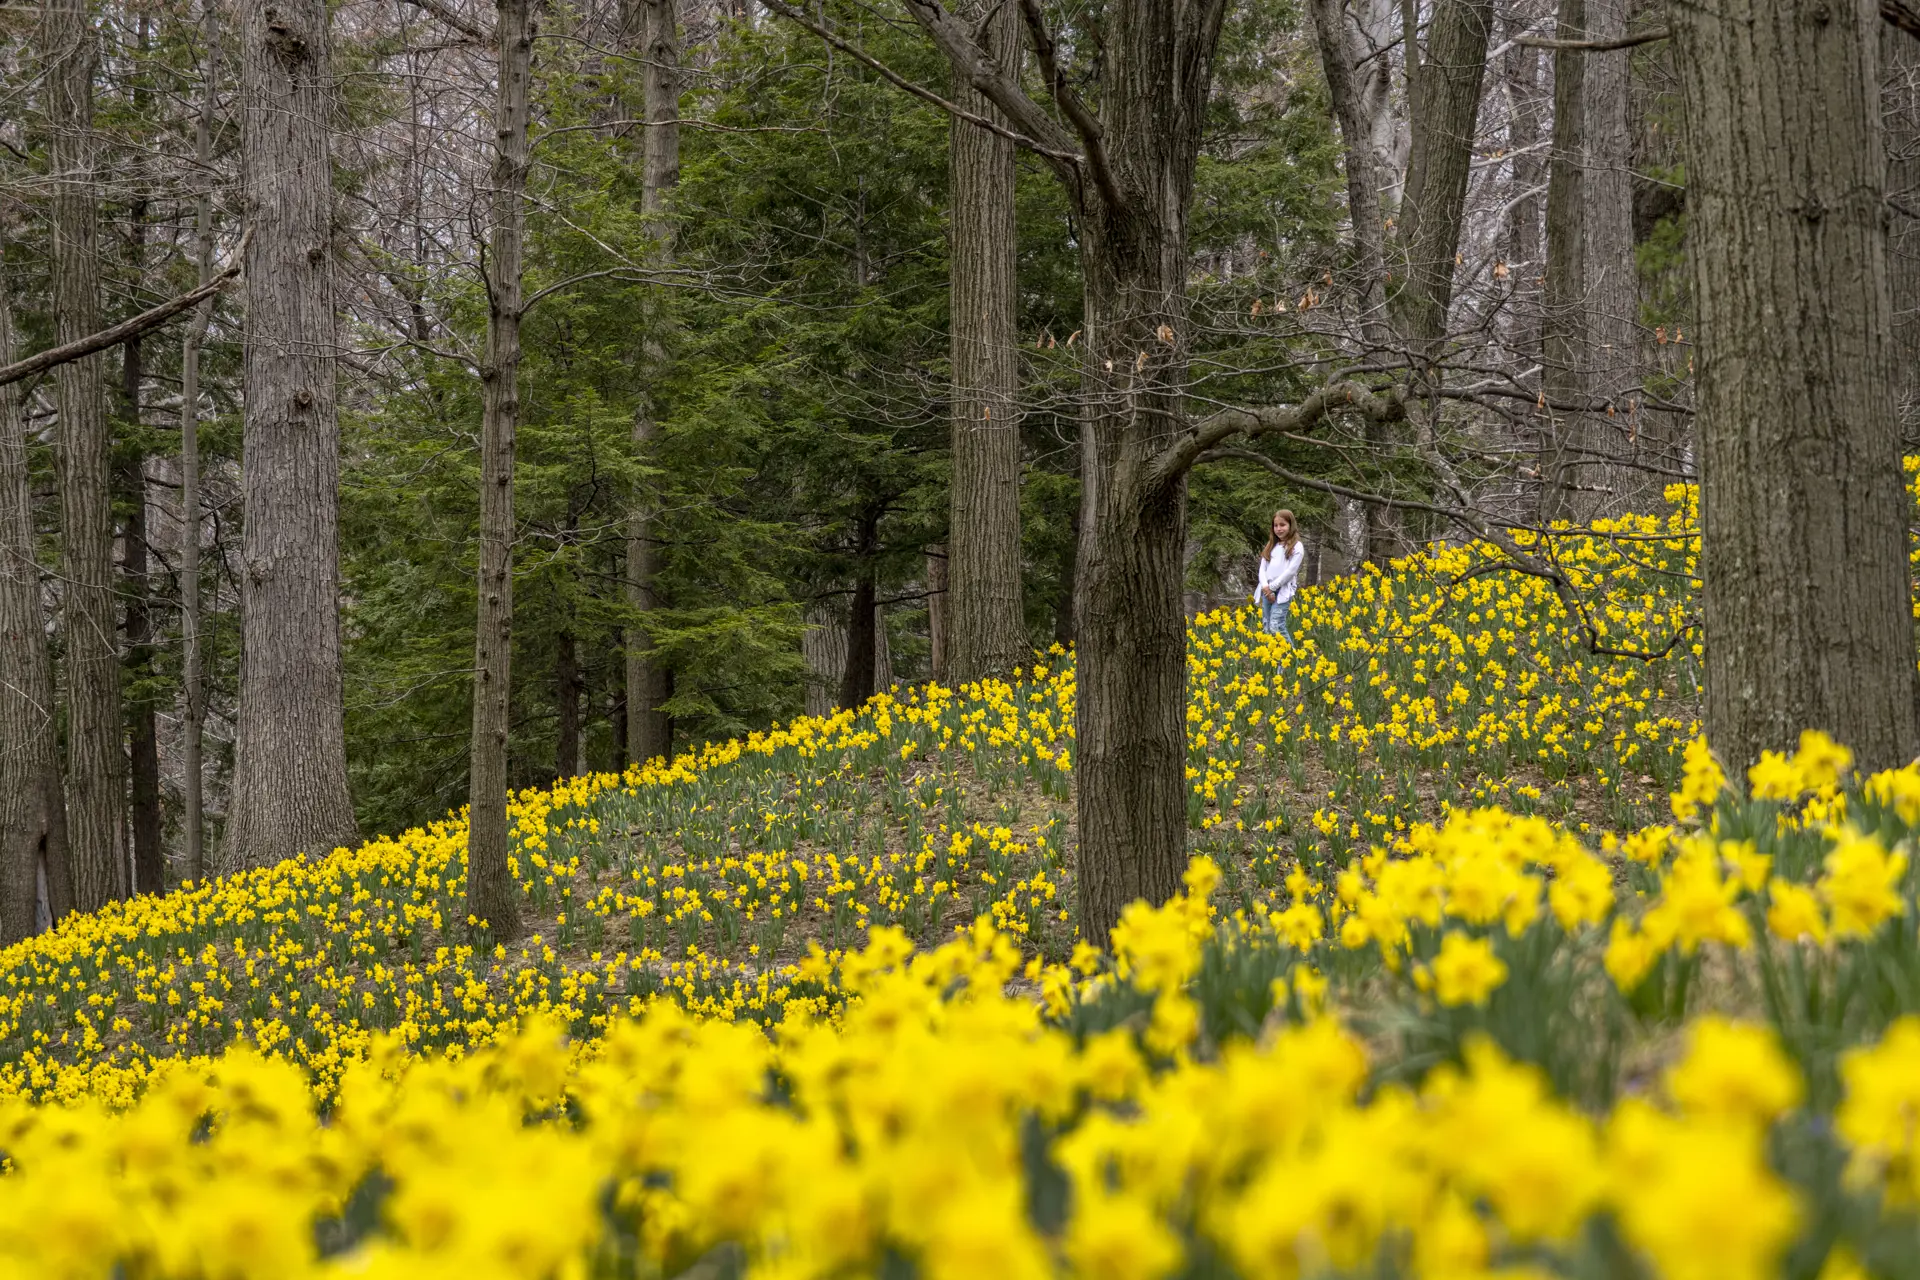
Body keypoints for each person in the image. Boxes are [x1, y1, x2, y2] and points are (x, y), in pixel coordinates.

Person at [1255, 508, 1304, 637]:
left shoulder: (1296, 546)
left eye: (1282, 525)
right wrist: (1266, 587)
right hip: (1267, 590)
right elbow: (1262, 569)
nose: (1279, 529)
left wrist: (1271, 588)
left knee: (1276, 626)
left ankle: (1291, 657)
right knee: (1267, 627)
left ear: (1290, 525)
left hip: (1282, 590)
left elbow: (1290, 572)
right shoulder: (1271, 545)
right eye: (1276, 525)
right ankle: (1273, 656)